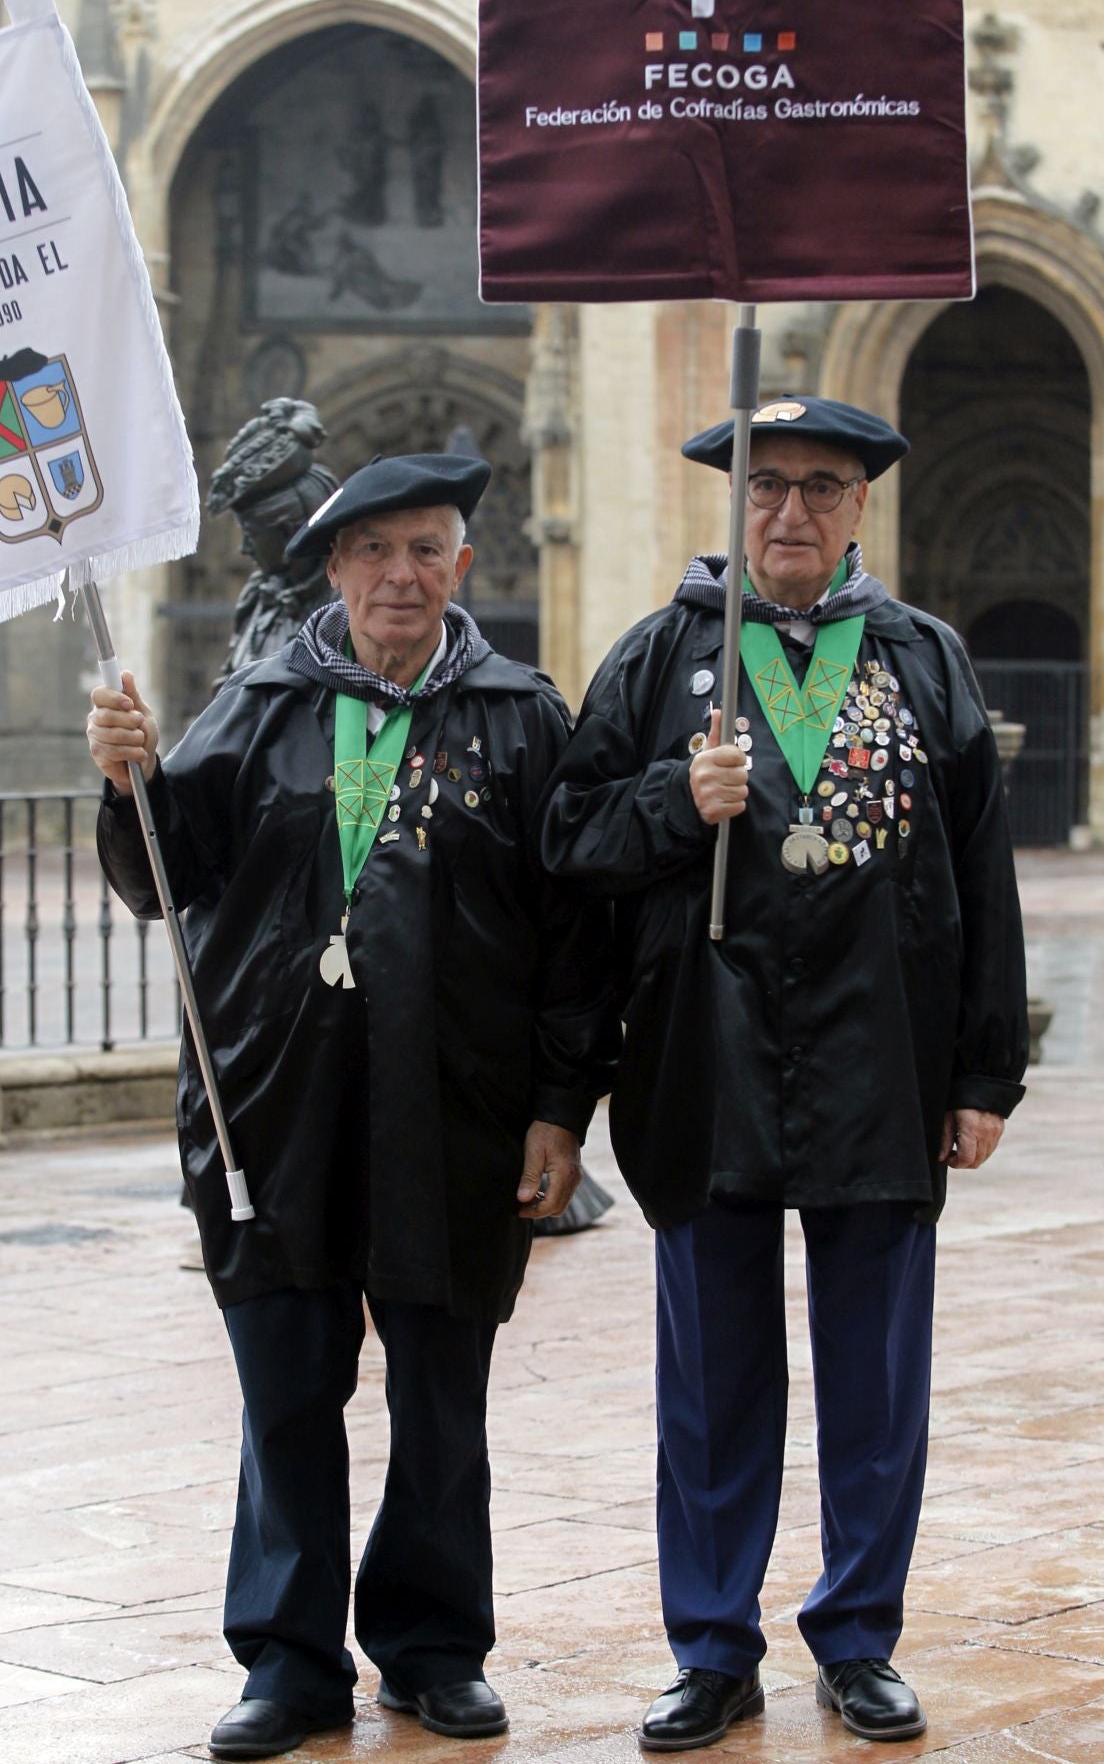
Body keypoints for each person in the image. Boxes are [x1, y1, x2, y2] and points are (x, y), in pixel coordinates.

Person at [89, 451, 616, 1760]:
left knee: (442, 1397)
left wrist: (561, 1106)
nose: (399, 575)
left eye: (424, 549)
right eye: (373, 552)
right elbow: (167, 875)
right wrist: (132, 784)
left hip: (459, 1113)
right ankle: (288, 1660)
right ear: (333, 569)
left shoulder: (519, 718)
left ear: (463, 567)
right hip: (277, 1112)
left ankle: (434, 1649)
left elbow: (575, 934)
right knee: (286, 1395)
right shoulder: (256, 706)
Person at [539, 396, 1028, 1750]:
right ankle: (710, 1644)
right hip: (707, 1068)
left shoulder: (926, 662)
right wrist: (665, 805)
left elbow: (982, 876)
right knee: (713, 1386)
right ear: (733, 503)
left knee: (876, 1378)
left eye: (822, 486)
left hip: (883, 1068)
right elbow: (568, 846)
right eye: (768, 487)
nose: (793, 512)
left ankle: (860, 1637)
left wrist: (984, 1070)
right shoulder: (657, 663)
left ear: (863, 504)